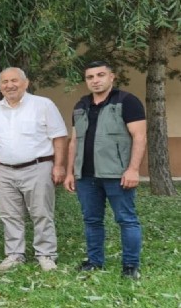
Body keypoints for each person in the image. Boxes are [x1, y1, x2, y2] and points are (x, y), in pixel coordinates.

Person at [63, 61, 146, 279]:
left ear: (112, 77)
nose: (95, 80)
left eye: (100, 75)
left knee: (126, 219)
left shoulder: (127, 102)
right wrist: (71, 172)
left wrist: (133, 170)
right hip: (86, 176)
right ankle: (95, 261)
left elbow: (139, 136)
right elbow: (74, 141)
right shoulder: (81, 105)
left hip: (117, 175)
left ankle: (130, 266)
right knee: (91, 220)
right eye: (90, 77)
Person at [0, 67, 67, 272]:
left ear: (25, 83)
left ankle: (46, 254)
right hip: (4, 170)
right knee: (9, 214)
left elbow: (59, 136)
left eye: (14, 80)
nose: (9, 85)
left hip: (37, 167)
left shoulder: (43, 105)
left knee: (41, 212)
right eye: (4, 82)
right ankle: (14, 254)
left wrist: (59, 165)